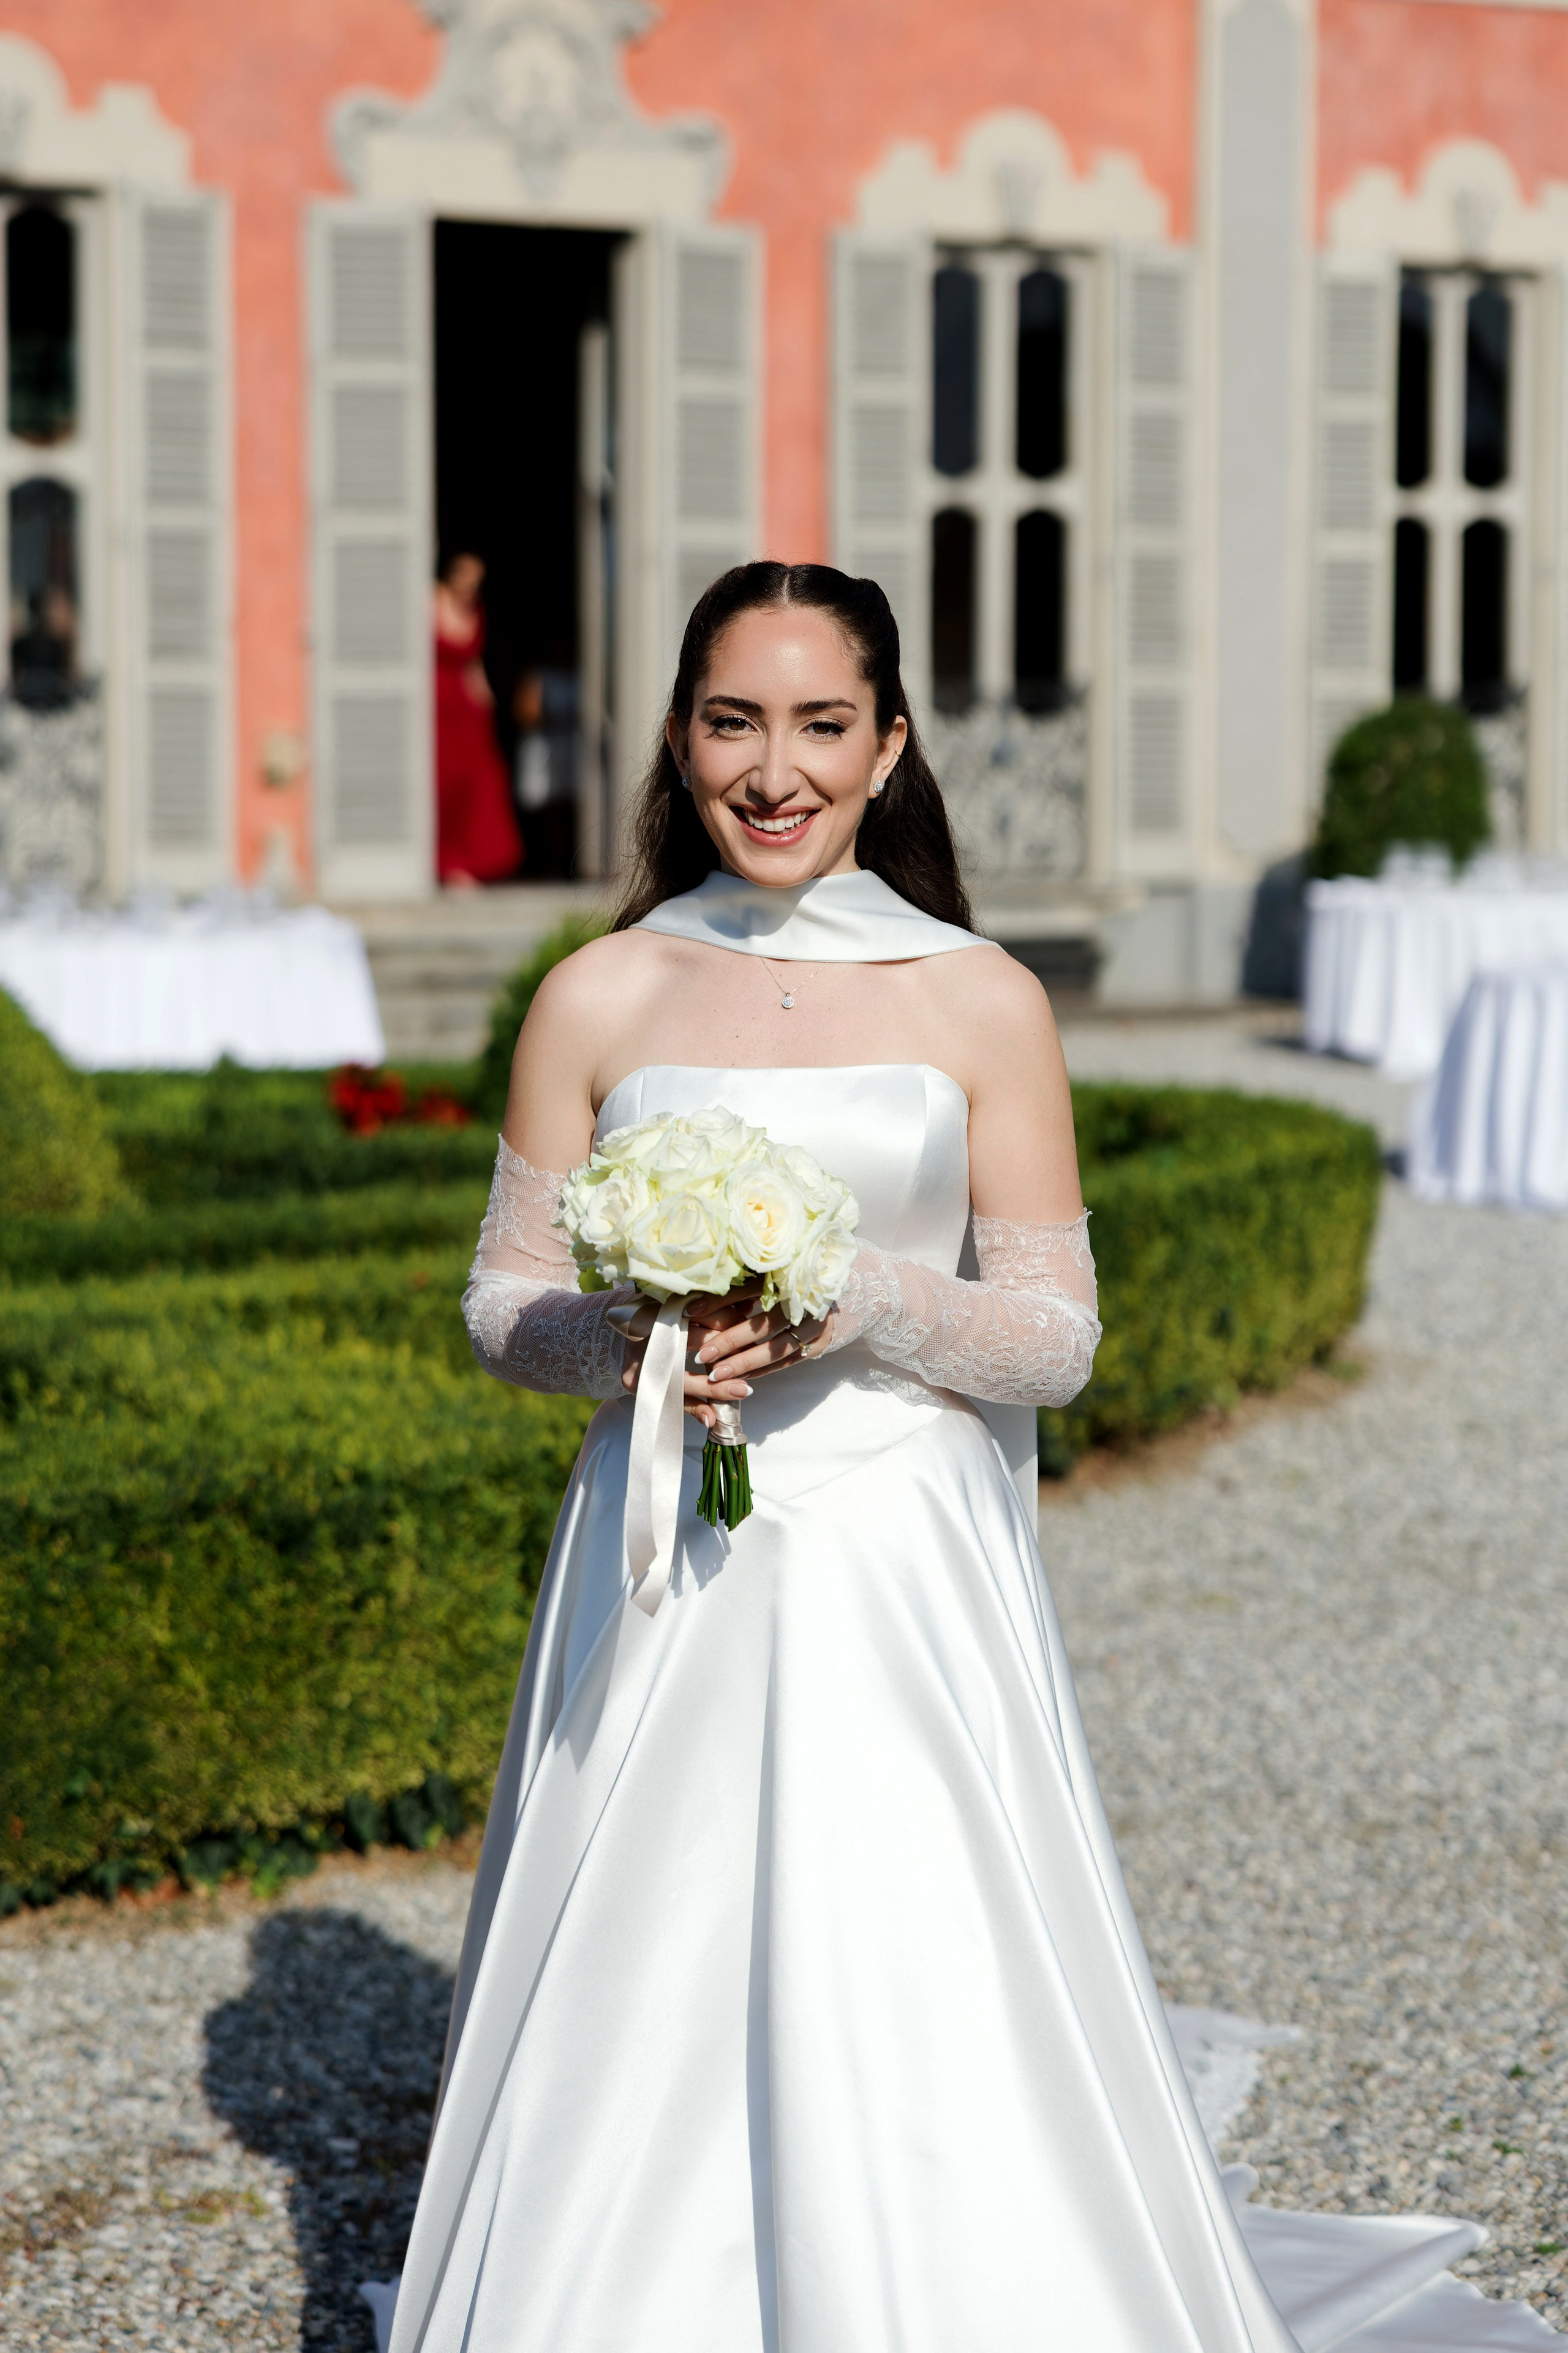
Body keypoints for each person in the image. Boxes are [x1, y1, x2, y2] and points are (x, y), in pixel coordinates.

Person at [382, 561, 1297, 2353]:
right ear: (677, 736)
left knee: (909, 1955)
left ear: (887, 745)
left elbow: (1051, 1332)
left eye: (819, 723)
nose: (774, 767)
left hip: (897, 1557)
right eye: (734, 721)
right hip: (667, 1549)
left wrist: (856, 1294)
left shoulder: (978, 999)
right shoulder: (596, 992)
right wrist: (635, 1336)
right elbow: (500, 1304)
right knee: (649, 1958)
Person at [433, 551, 523, 886]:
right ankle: (444, 863)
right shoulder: (430, 601)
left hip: (465, 708)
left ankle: (470, 863)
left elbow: (472, 662)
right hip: (436, 705)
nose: (470, 588)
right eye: (465, 578)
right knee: (443, 782)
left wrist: (484, 695)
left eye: (476, 582)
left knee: (479, 780)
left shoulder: (476, 610)